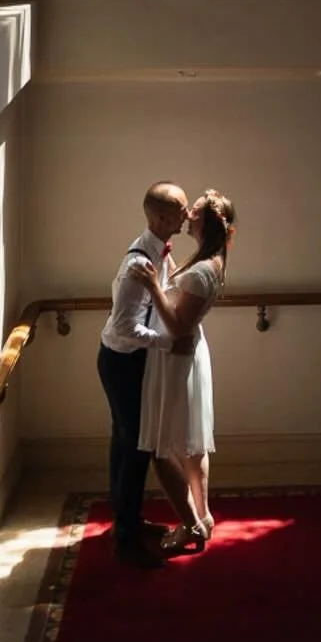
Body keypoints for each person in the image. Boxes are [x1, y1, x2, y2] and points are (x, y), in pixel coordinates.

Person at [132, 188, 236, 555]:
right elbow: (184, 289)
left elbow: (177, 325)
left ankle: (192, 525)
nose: (187, 213)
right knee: (192, 444)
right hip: (189, 355)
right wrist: (169, 271)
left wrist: (150, 285)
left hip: (177, 358)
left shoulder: (205, 269)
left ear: (205, 222)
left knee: (161, 450)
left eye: (194, 210)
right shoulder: (209, 259)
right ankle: (203, 514)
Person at [97, 181, 190, 568]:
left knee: (125, 443)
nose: (186, 215)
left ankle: (128, 521)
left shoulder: (160, 253)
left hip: (130, 361)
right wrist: (170, 344)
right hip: (122, 363)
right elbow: (124, 328)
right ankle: (126, 542)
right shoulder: (140, 263)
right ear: (158, 217)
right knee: (135, 449)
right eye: (180, 209)